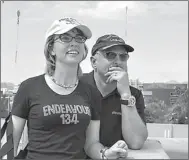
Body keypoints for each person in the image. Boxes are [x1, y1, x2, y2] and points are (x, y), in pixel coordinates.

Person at [11, 18, 128, 159]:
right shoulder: (29, 88)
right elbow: (10, 144)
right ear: (51, 48)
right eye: (65, 38)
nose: (74, 43)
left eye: (79, 38)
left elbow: (91, 144)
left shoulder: (91, 93)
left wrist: (106, 154)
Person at [81, 34, 148, 154]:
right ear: (94, 62)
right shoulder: (77, 87)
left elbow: (136, 142)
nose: (118, 61)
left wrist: (125, 95)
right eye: (110, 55)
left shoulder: (133, 94)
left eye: (123, 57)